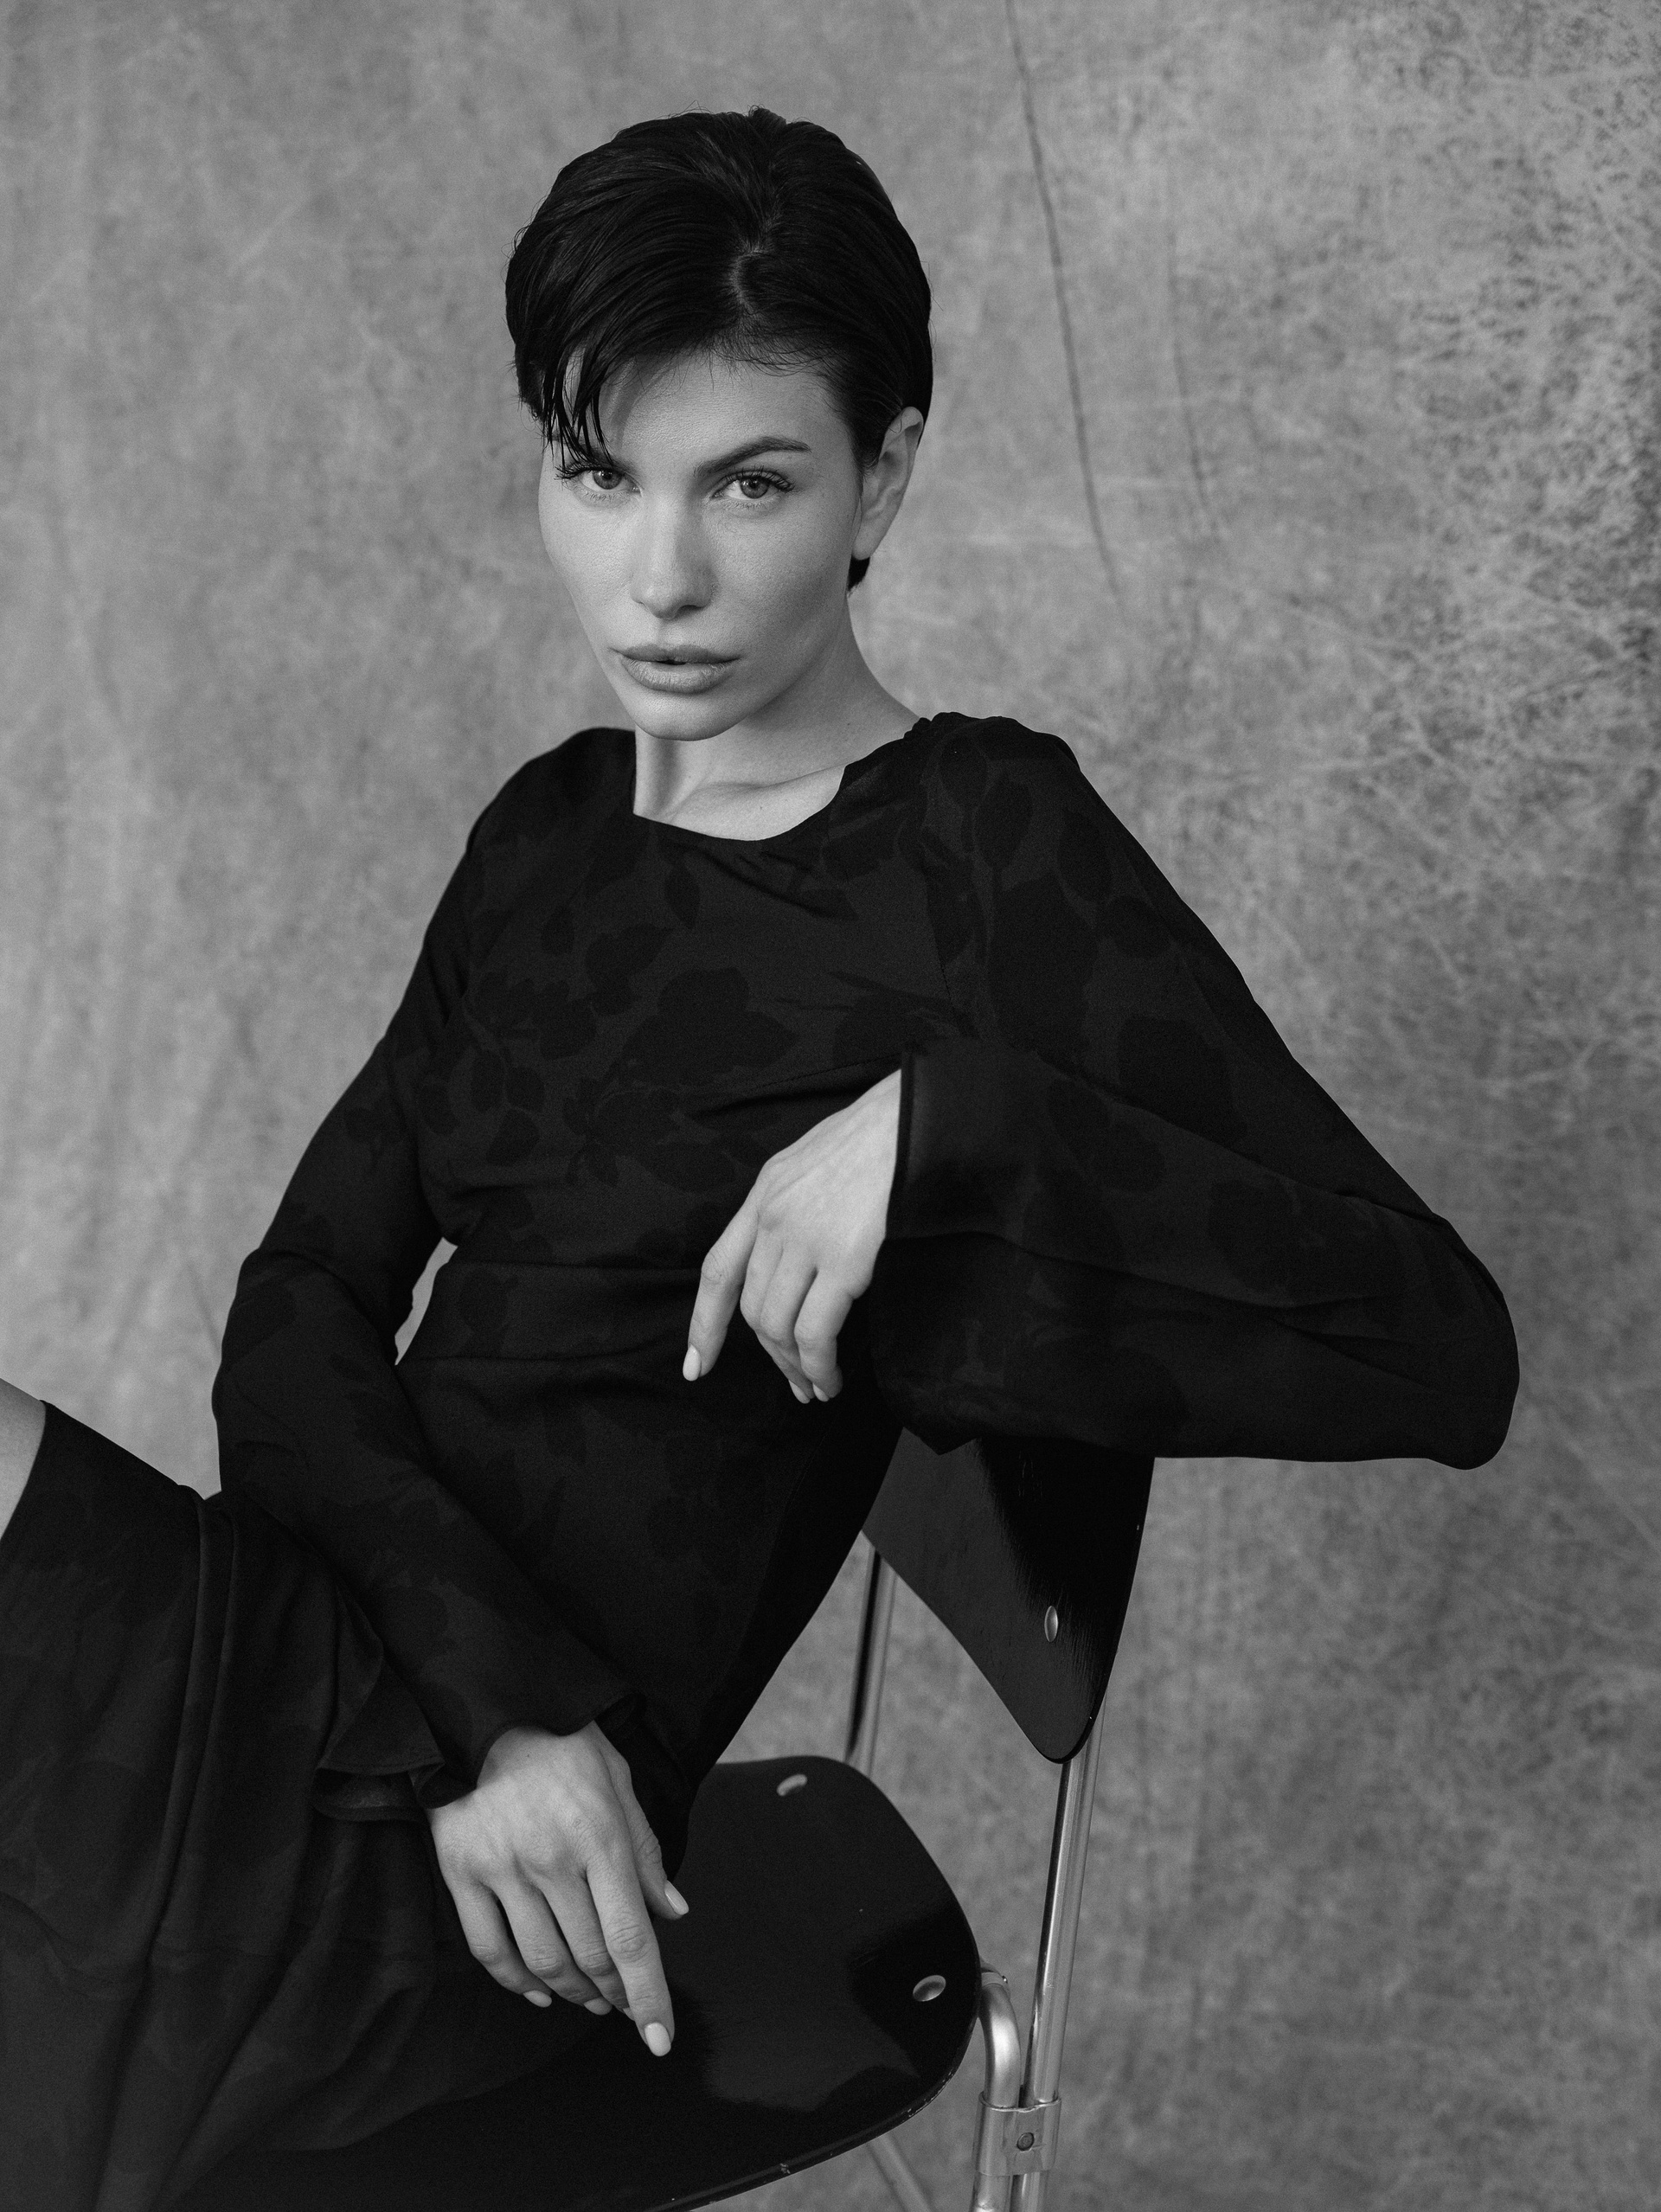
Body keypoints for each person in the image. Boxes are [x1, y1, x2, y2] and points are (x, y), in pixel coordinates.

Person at [0, 106, 1519, 2212]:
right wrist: (493, 1716)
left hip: (493, 1895)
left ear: (883, 476)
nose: (663, 578)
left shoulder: (983, 850)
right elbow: (298, 1306)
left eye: (753, 482)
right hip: (388, 1702)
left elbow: (1439, 1347)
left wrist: (948, 1127)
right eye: (600, 475)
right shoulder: (548, 832)